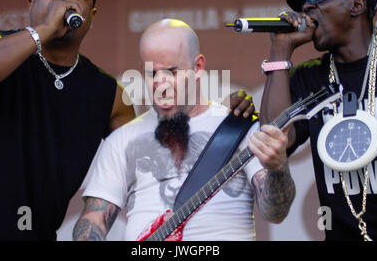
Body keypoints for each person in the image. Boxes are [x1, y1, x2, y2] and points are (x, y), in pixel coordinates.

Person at [0, 0, 136, 240]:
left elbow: (135, 170)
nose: (67, 0)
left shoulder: (110, 95)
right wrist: (44, 30)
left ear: (92, 15)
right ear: (32, 5)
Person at [72, 18, 295, 241]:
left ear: (197, 67)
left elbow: (275, 212)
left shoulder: (240, 127)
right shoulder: (122, 140)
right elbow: (93, 224)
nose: (161, 83)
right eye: (152, 74)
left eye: (171, 71)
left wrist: (278, 168)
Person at [259, 0, 377, 240]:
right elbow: (275, 139)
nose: (307, 7)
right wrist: (280, 51)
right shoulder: (308, 78)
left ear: (357, 4)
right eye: (305, 3)